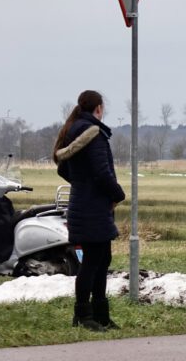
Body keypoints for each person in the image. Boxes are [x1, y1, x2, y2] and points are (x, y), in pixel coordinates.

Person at [53, 90, 125, 332]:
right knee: (93, 263)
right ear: (99, 109)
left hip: (86, 205)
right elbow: (102, 172)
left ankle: (100, 315)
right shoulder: (93, 134)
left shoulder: (74, 131)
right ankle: (84, 315)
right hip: (92, 208)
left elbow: (63, 169)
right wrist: (118, 194)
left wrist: (81, 184)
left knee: (102, 260)